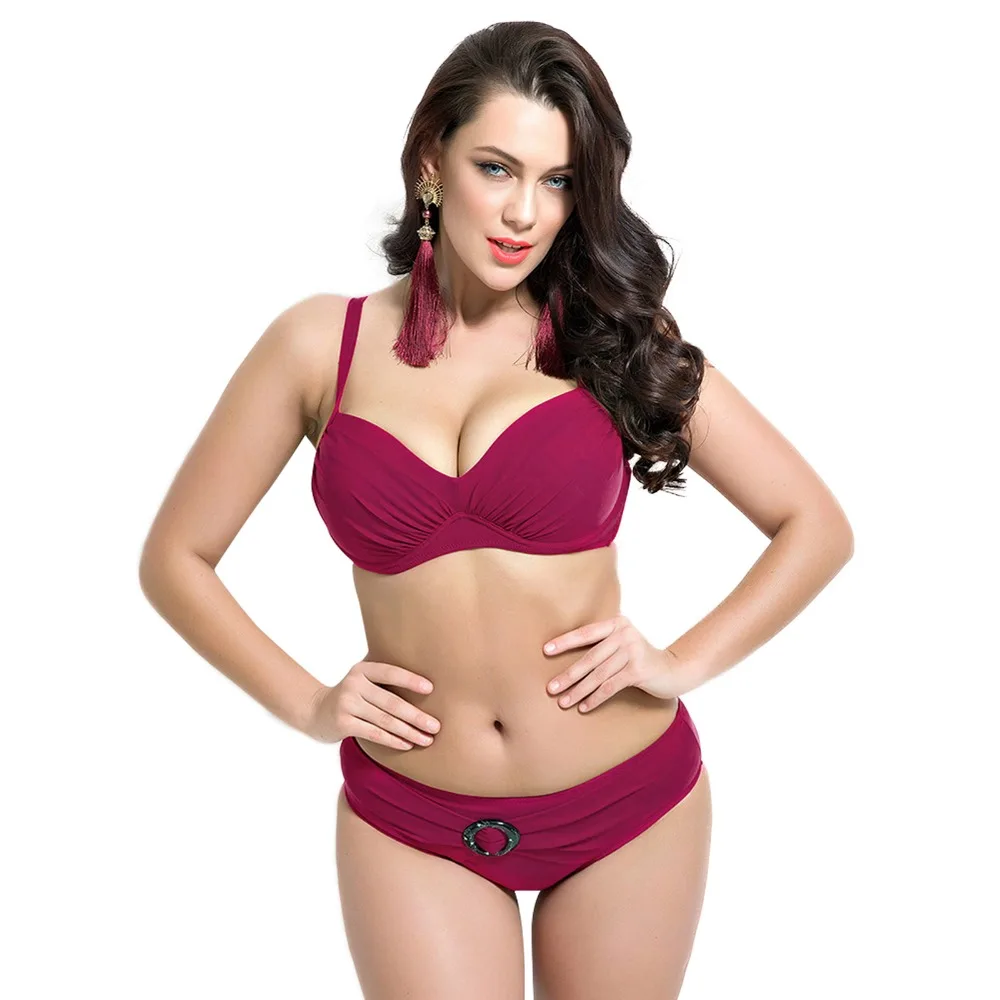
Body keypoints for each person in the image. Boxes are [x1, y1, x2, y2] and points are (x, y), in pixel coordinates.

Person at [138, 20, 853, 1000]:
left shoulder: (609, 336)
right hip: (412, 816)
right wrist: (306, 703)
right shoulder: (317, 346)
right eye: (496, 168)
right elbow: (176, 556)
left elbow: (813, 524)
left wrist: (681, 662)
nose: (524, 211)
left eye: (557, 181)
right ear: (432, 161)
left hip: (626, 806)